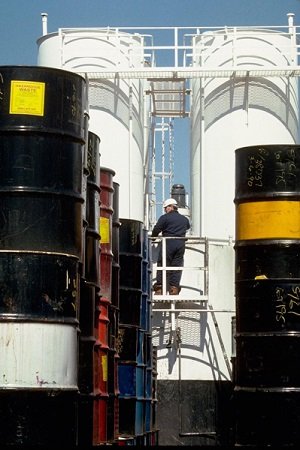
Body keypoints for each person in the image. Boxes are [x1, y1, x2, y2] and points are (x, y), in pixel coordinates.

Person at [152, 198, 190, 295]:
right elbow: (188, 227)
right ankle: (174, 288)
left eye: (166, 207)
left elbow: (156, 229)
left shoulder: (165, 218)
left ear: (171, 207)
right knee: (177, 266)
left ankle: (159, 288)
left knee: (162, 264)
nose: (165, 210)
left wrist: (153, 238)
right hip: (181, 245)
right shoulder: (185, 219)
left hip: (168, 243)